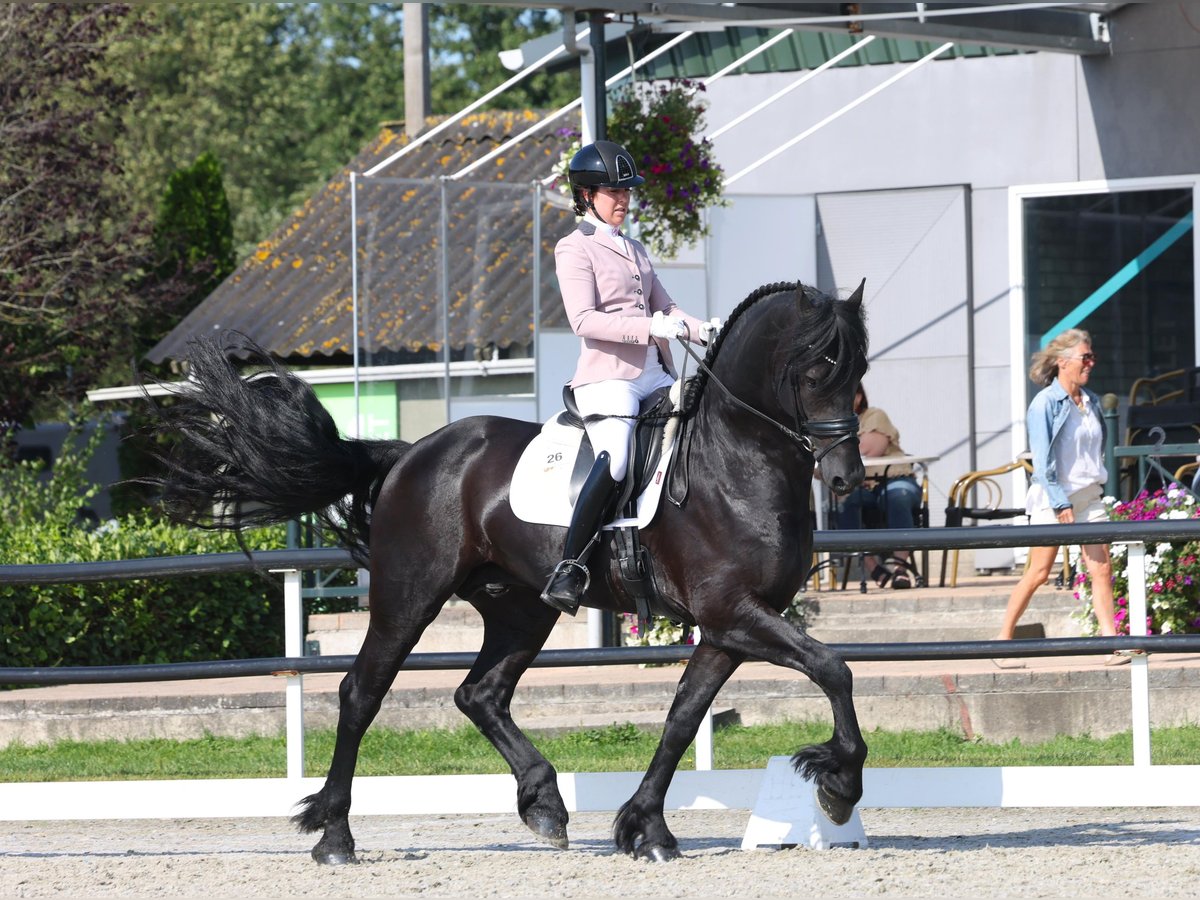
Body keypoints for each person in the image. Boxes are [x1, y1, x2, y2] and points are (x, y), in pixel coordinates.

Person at [540, 140, 719, 615]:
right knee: (616, 456)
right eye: (612, 191)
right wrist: (648, 328)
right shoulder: (574, 248)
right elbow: (584, 320)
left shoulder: (635, 249)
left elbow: (667, 308)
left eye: (626, 191)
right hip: (609, 379)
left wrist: (707, 332)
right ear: (586, 195)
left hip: (654, 374)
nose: (622, 200)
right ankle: (571, 566)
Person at [995, 329, 1126, 667]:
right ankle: (1001, 643)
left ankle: (1111, 644)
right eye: (1086, 357)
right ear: (1062, 362)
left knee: (1101, 570)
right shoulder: (1044, 404)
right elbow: (1043, 461)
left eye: (1091, 356)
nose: (1091, 363)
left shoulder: (1091, 401)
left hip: (1090, 496)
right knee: (1038, 572)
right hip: (1055, 499)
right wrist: (1059, 502)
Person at [836, 382, 922, 589]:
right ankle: (873, 567)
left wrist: (838, 445)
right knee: (846, 508)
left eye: (849, 395)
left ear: (859, 397)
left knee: (897, 497)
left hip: (897, 479)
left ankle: (900, 567)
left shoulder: (874, 415)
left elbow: (869, 449)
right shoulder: (833, 423)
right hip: (866, 487)